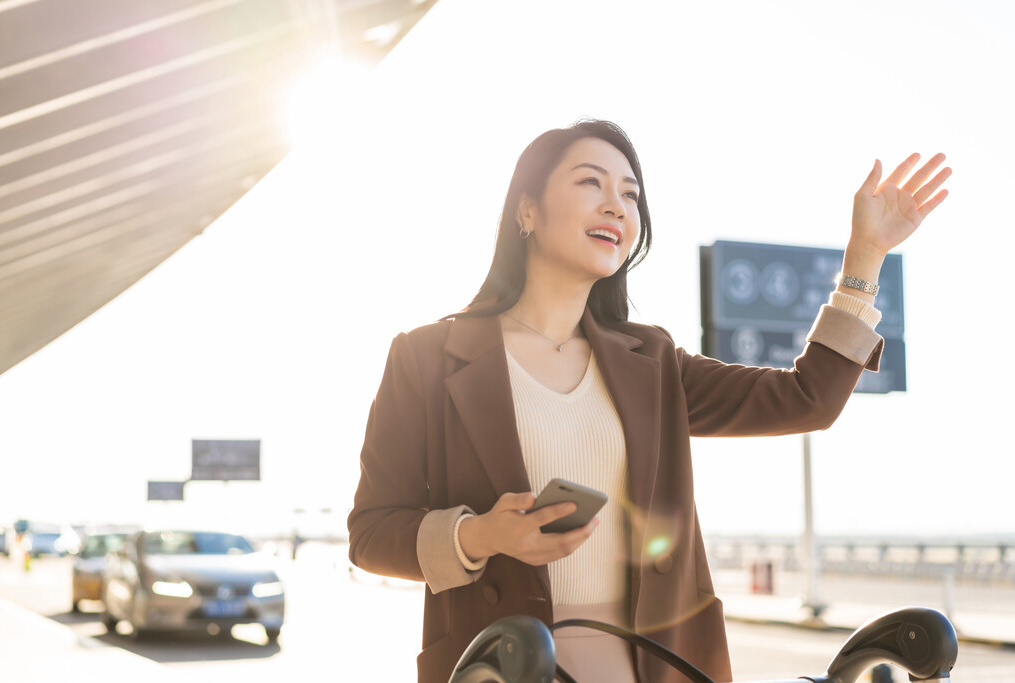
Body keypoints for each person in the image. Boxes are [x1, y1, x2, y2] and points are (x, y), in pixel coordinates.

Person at [347, 119, 950, 683]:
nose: (617, 205)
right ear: (526, 210)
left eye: (631, 195)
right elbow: (370, 534)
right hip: (507, 664)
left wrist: (864, 257)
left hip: (656, 664)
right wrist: (484, 536)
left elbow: (806, 399)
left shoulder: (652, 361)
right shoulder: (426, 358)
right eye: (591, 183)